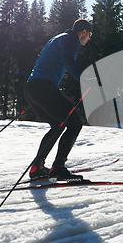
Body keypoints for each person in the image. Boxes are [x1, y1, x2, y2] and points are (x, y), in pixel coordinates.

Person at [24, 19, 92, 180]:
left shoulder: (59, 38)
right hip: (44, 87)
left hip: (32, 87)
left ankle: (37, 167)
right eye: (90, 34)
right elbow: (67, 59)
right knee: (74, 124)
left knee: (57, 125)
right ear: (83, 32)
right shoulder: (72, 39)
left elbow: (51, 60)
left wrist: (61, 73)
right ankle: (58, 168)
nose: (89, 38)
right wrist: (83, 78)